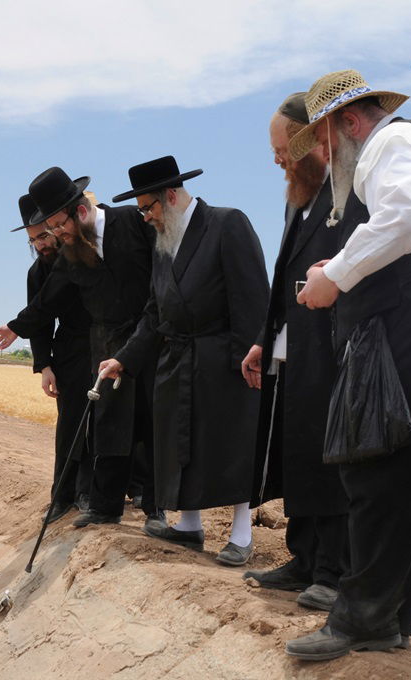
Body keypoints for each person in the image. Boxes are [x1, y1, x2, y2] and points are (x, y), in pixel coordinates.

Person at [283, 69, 411, 660]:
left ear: (350, 122)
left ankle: (362, 619)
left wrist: (333, 278)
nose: (321, 154)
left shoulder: (393, 142)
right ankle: (385, 617)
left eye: (323, 141)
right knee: (409, 481)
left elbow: (399, 222)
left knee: (379, 470)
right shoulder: (393, 148)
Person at [99, 156, 269, 565]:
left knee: (232, 446)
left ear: (170, 197)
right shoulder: (164, 243)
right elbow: (155, 313)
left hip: (225, 358)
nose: (145, 217)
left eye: (147, 208)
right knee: (180, 446)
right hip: (176, 359)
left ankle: (242, 534)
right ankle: (189, 525)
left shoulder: (228, 224)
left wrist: (251, 357)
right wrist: (123, 358)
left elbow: (252, 298)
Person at [0, 167, 162, 530]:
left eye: (57, 225)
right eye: (49, 229)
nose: (55, 234)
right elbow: (47, 302)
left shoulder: (133, 222)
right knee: (109, 428)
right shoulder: (70, 253)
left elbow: (163, 277)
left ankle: (156, 509)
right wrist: (15, 327)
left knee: (151, 424)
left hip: (150, 339)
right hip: (105, 347)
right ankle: (104, 506)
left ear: (80, 212)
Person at [241, 94, 348, 605]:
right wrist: (265, 338)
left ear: (312, 141)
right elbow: (284, 276)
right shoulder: (297, 196)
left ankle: (334, 571)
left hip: (335, 347)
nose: (277, 159)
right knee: (300, 454)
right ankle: (304, 557)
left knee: (331, 461)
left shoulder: (351, 189)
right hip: (295, 349)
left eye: (282, 149)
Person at [0, 194, 93, 521]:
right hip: (71, 352)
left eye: (43, 236)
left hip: (108, 345)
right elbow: (41, 319)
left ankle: (94, 493)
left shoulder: (85, 254)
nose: (39, 245)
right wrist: (45, 365)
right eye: (32, 240)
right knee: (71, 424)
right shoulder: (37, 272)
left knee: (107, 424)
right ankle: (63, 497)